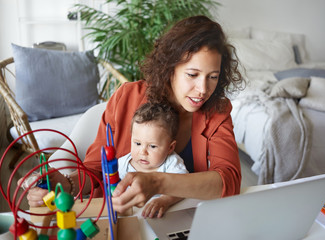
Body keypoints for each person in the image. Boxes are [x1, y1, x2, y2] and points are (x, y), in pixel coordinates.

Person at [22, 15, 244, 216]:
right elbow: (97, 170)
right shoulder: (126, 97)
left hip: (189, 220)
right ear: (170, 68)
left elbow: (228, 181)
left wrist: (157, 182)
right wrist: (66, 183)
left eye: (212, 77)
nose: (203, 89)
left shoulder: (217, 110)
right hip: (126, 220)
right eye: (192, 74)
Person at [119, 102, 188, 218]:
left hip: (164, 217)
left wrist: (165, 200)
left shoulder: (172, 164)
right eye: (137, 143)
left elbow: (185, 187)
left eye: (152, 146)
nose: (143, 152)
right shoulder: (122, 165)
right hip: (132, 217)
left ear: (170, 147)